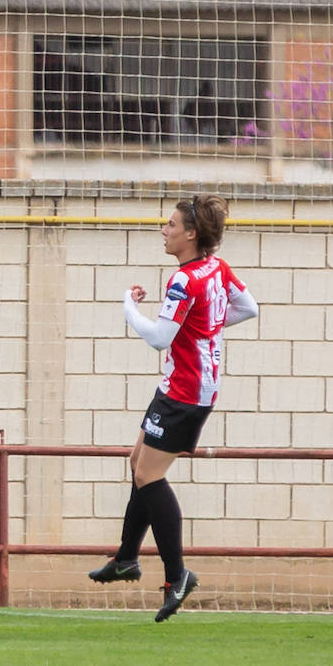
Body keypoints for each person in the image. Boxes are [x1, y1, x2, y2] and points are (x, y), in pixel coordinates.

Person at [87, 195, 258, 622]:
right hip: (181, 385)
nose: (164, 229)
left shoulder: (184, 280)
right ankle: (126, 558)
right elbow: (247, 308)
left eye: (171, 223)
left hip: (185, 391)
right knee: (137, 462)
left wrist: (128, 305)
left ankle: (177, 575)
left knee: (149, 475)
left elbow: (160, 337)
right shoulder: (216, 268)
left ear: (190, 233)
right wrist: (202, 330)